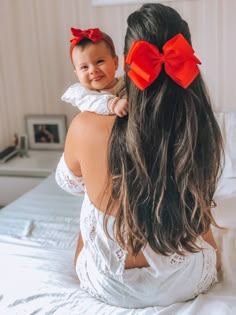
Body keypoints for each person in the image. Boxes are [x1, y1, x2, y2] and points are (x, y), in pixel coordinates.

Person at [55, 3, 223, 308]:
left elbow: (70, 184)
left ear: (126, 61)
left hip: (111, 286)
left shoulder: (84, 126)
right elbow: (200, 200)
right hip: (186, 281)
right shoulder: (198, 122)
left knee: (90, 203)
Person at [61, 27, 128, 117]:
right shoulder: (81, 93)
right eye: (84, 67)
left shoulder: (126, 83)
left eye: (99, 62)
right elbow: (92, 101)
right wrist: (113, 104)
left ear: (115, 62)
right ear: (77, 74)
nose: (93, 70)